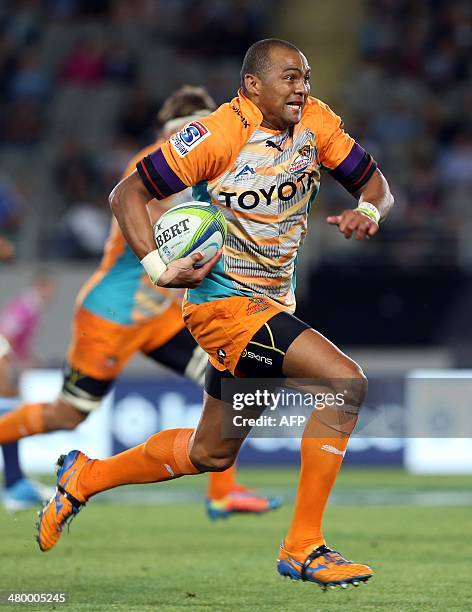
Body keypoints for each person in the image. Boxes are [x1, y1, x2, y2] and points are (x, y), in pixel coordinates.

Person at [37, 39, 394, 589]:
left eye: (306, 77)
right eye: (290, 78)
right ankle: (304, 545)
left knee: (212, 453)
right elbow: (126, 193)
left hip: (273, 301)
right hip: (224, 307)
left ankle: (84, 477)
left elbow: (374, 182)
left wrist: (367, 209)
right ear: (253, 85)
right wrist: (157, 266)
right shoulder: (217, 134)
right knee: (344, 384)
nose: (302, 87)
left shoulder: (317, 123)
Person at [0, 86, 280, 520]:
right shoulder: (154, 166)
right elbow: (174, 233)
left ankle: (223, 492)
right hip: (111, 313)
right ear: (176, 132)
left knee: (231, 378)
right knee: (68, 414)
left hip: (156, 317)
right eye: (194, 130)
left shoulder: (205, 166)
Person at [0, 267, 55, 510]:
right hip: (4, 363)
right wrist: (8, 367)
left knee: (9, 412)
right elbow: (5, 336)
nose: (51, 294)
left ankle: (15, 481)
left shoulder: (32, 309)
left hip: (8, 363)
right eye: (49, 289)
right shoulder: (27, 307)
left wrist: (27, 362)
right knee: (9, 412)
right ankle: (15, 485)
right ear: (41, 286)